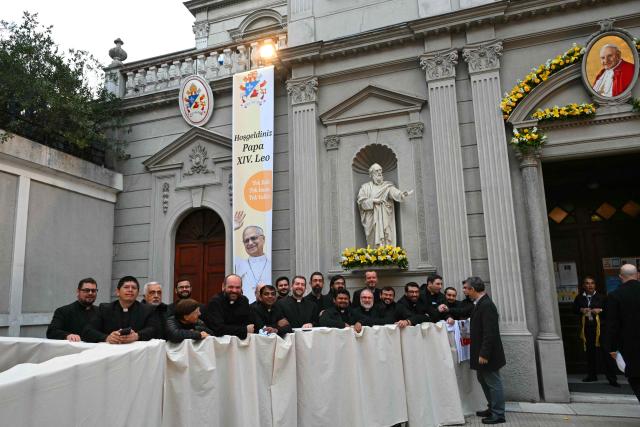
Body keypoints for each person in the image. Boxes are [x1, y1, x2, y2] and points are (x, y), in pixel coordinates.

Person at [466, 276, 506, 424]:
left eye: (466, 289)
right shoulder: (480, 303)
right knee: (483, 379)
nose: (465, 291)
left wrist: (484, 353)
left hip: (488, 354)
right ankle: (492, 408)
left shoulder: (486, 305)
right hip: (481, 352)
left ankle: (498, 414)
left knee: (493, 383)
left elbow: (490, 332)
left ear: (473, 289)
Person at [83, 276, 160, 344]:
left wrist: (137, 335)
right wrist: (107, 337)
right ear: (118, 292)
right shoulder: (105, 308)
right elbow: (88, 331)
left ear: (137, 293)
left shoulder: (147, 309)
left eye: (133, 288)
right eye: (126, 287)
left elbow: (153, 329)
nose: (130, 290)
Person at [573, 276, 619, 386]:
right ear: (583, 285)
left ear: (595, 285)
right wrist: (581, 310)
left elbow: (610, 311)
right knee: (590, 353)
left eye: (592, 283)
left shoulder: (602, 297)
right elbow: (574, 309)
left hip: (601, 329)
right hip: (587, 329)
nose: (590, 285)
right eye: (587, 283)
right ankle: (592, 375)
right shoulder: (579, 298)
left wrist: (600, 310)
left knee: (606, 353)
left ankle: (612, 379)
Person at [604, 264, 640, 402]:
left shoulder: (615, 296)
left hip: (630, 347)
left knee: (636, 379)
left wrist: (610, 347)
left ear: (620, 277)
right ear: (637, 275)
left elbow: (612, 325)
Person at [357, 163, 413, 247]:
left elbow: (394, 192)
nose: (379, 173)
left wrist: (401, 194)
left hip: (384, 216)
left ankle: (387, 252)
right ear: (372, 174)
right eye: (377, 171)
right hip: (371, 219)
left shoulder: (387, 186)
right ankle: (373, 253)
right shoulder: (365, 187)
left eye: (380, 170)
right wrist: (373, 201)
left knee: (386, 237)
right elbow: (361, 202)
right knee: (372, 239)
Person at [201, 274, 254, 339]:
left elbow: (249, 323)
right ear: (223, 286)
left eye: (237, 287)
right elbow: (219, 329)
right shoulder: (215, 302)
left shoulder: (244, 300)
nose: (234, 290)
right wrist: (244, 330)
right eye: (231, 287)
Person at [234, 225, 271, 303]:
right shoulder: (239, 264)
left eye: (253, 238)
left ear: (263, 239)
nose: (250, 243)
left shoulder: (270, 263)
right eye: (246, 241)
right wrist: (234, 227)